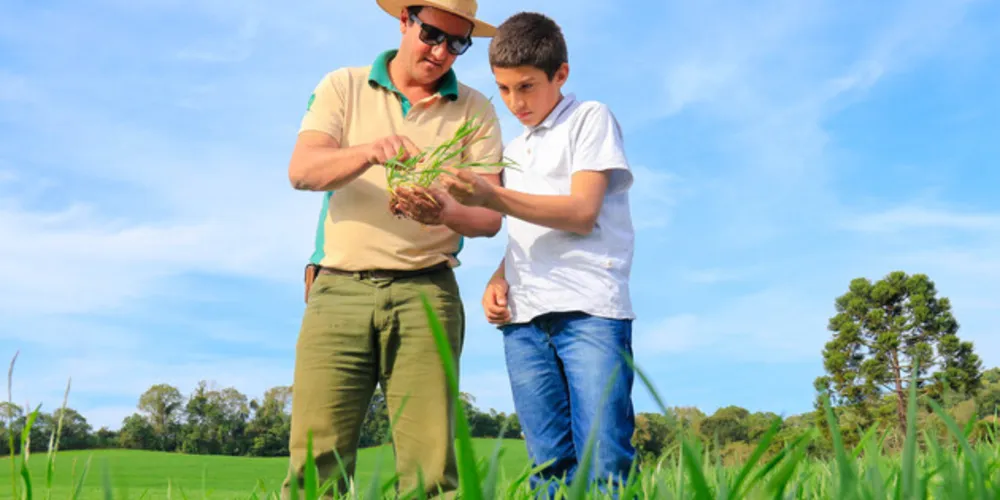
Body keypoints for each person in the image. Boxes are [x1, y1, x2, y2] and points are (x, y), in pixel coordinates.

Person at [283, 0, 507, 497]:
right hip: (339, 289)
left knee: (431, 472)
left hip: (427, 290)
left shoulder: (476, 109)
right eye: (432, 35)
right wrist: (369, 152)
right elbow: (302, 171)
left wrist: (442, 213)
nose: (442, 52)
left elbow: (490, 218)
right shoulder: (344, 85)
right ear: (405, 20)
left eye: (458, 43)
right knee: (316, 465)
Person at [439, 11, 638, 496]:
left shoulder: (589, 119)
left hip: (588, 310)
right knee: (546, 465)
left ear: (560, 74)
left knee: (603, 455)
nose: (515, 102)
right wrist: (500, 274)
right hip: (524, 319)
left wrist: (493, 196)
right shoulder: (515, 147)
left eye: (526, 87)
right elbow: (527, 229)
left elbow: (581, 212)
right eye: (504, 89)